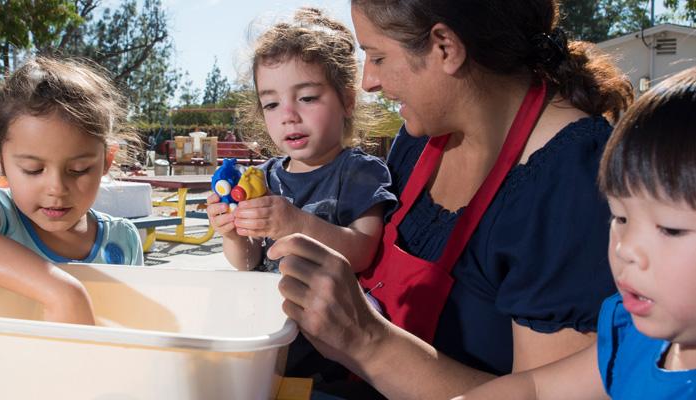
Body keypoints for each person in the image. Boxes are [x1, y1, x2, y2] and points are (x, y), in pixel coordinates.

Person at [267, 1, 633, 398]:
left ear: (445, 47)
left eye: (377, 57)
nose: (368, 81)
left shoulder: (572, 181)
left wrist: (365, 342)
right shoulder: (421, 136)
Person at [457, 51, 696, 400]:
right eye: (621, 217)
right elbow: (536, 390)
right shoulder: (636, 339)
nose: (625, 248)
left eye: (670, 229)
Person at [0, 57, 143, 326]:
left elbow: (135, 322)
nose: (57, 188)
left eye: (78, 169)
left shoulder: (123, 240)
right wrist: (63, 292)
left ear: (107, 160)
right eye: (33, 169)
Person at [207, 7, 395, 275]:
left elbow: (363, 253)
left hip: (327, 314)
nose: (288, 116)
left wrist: (295, 223)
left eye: (306, 98)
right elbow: (248, 262)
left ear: (348, 100)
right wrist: (234, 234)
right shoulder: (262, 178)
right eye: (271, 104)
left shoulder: (360, 173)